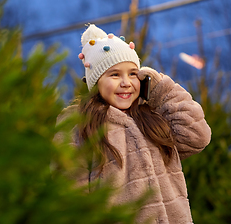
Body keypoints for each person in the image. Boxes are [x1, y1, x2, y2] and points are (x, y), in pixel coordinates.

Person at [58, 24, 211, 223]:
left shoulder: (152, 118)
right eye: (114, 74)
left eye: (132, 74)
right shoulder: (81, 126)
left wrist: (160, 89)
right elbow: (71, 195)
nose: (126, 83)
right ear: (95, 83)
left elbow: (197, 136)